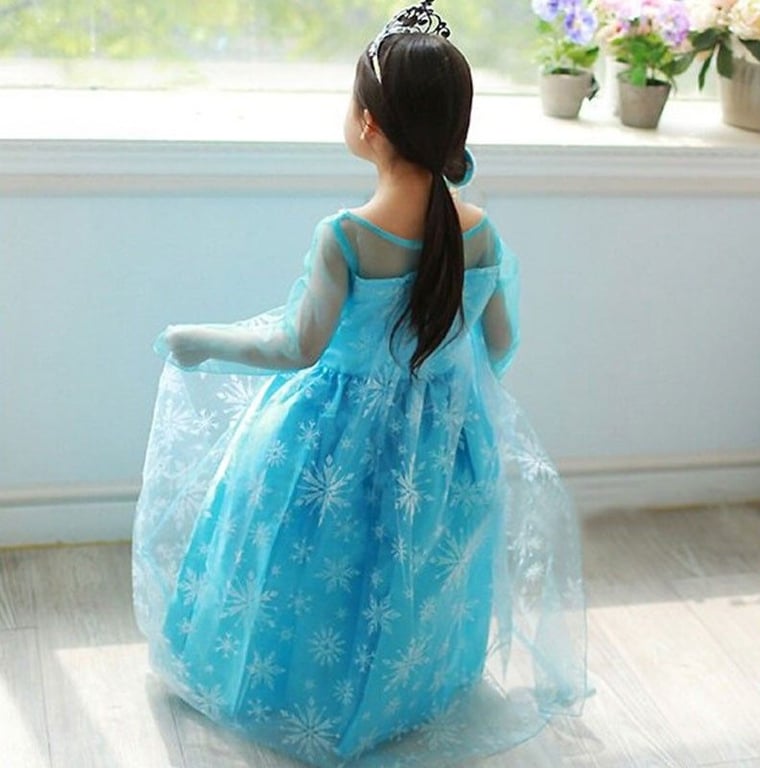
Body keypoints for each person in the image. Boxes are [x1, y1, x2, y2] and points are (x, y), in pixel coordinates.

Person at [132, 2, 588, 766]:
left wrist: (198, 341)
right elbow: (502, 344)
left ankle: (306, 694)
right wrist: (436, 388)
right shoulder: (479, 231)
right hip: (442, 444)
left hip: (332, 441)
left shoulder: (346, 235)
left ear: (370, 124)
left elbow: (295, 347)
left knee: (317, 565)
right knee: (413, 567)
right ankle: (406, 689)